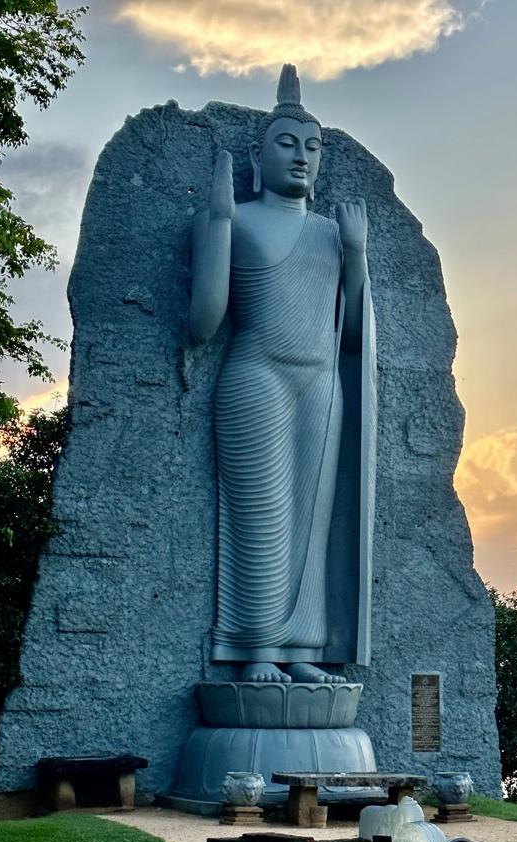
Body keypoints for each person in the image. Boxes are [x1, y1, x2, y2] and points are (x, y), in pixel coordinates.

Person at [189, 64, 376, 684]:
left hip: (321, 383)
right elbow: (203, 323)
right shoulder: (237, 218)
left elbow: (351, 339)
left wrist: (355, 254)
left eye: (313, 148)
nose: (301, 157)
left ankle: (301, 649)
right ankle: (255, 647)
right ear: (257, 152)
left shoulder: (332, 233)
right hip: (256, 376)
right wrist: (215, 223)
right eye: (287, 143)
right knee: (261, 517)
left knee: (312, 524)